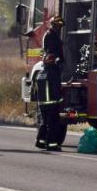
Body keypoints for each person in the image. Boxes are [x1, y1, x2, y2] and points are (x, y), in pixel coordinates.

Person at [36, 15, 65, 151]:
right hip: (51, 99)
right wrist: (59, 99)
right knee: (53, 119)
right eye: (57, 25)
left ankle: (41, 141)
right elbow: (55, 90)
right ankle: (52, 144)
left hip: (44, 99)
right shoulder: (50, 36)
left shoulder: (42, 73)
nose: (58, 27)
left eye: (60, 25)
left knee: (45, 119)